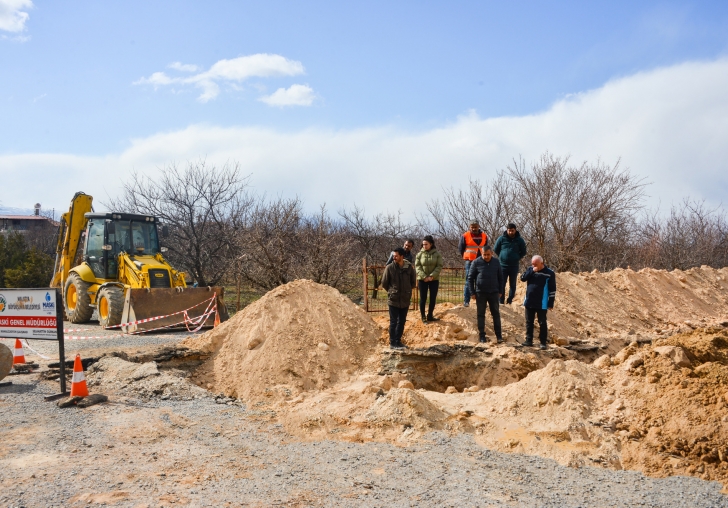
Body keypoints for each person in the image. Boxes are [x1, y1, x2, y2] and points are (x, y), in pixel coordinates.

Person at [381, 247, 417, 349]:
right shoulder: (390, 268)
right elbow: (384, 283)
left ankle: (398, 341)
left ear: (402, 256)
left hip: (405, 299)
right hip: (394, 299)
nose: (394, 258)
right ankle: (392, 343)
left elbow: (413, 282)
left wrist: (407, 291)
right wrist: (392, 291)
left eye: (396, 256)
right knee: (393, 322)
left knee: (402, 321)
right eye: (393, 256)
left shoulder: (409, 267)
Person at [467, 246, 503, 343]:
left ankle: (499, 335)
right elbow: (470, 278)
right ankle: (482, 335)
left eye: (488, 254)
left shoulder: (496, 262)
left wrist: (500, 291)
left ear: (492, 253)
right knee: (481, 314)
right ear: (481, 254)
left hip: (494, 292)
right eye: (484, 255)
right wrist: (472, 292)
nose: (486, 256)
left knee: (496, 314)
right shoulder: (476, 262)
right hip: (480, 293)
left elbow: (500, 277)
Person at [520, 255, 556, 350]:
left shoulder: (550, 273)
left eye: (535, 264)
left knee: (542, 322)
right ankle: (529, 340)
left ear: (542, 263)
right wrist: (532, 271)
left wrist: (550, 303)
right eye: (532, 264)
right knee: (529, 322)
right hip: (529, 301)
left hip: (542, 302)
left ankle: (543, 342)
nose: (533, 266)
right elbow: (522, 278)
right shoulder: (530, 269)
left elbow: (552, 289)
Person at [494, 222, 527, 304]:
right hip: (503, 265)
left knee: (512, 284)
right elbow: (495, 249)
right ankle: (501, 301)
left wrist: (516, 257)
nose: (511, 232)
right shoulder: (501, 239)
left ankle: (510, 300)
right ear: (507, 230)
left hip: (514, 266)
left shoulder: (519, 240)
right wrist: (502, 256)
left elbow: (523, 251)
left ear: (515, 230)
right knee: (502, 283)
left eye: (512, 230)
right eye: (509, 230)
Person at [458, 220, 488, 307]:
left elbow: (486, 247)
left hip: (482, 261)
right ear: (469, 227)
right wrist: (466, 256)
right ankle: (466, 301)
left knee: (481, 281)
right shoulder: (465, 236)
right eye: (472, 227)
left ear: (479, 226)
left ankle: (481, 301)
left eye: (475, 227)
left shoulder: (484, 236)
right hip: (470, 261)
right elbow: (461, 248)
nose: (474, 228)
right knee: (468, 281)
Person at [415, 235, 444, 323]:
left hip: (434, 280)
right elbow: (417, 266)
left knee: (432, 298)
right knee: (423, 298)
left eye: (426, 244)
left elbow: (439, 266)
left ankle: (430, 315)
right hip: (422, 280)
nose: (424, 246)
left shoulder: (437, 254)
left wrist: (432, 276)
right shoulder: (419, 254)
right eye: (423, 244)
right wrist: (424, 277)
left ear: (431, 244)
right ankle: (423, 316)